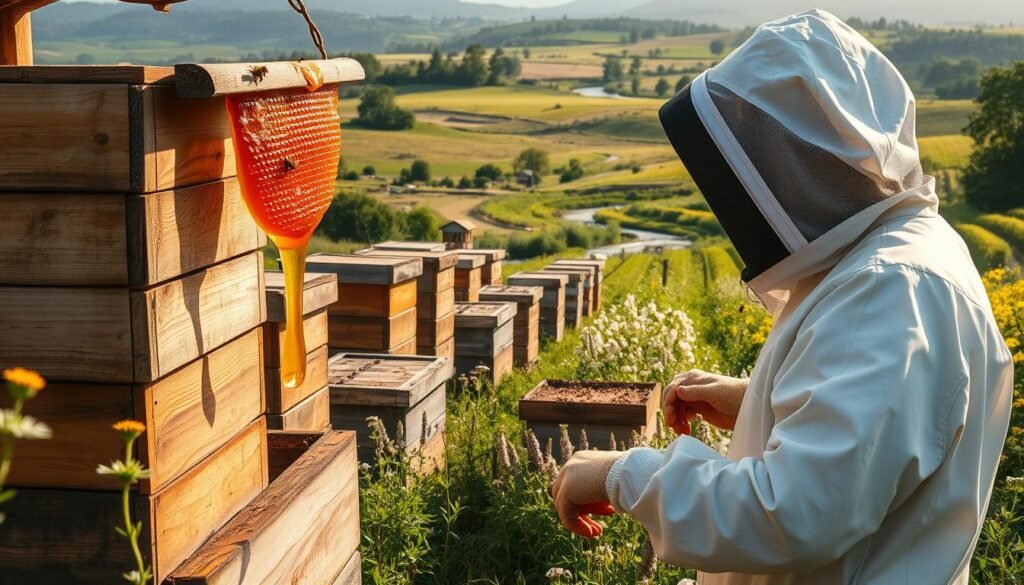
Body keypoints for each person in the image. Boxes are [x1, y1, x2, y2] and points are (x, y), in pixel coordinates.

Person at [550, 10, 1014, 584]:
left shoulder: (890, 289)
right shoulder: (907, 252)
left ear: (810, 153)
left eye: (762, 150)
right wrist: (757, 401)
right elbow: (890, 429)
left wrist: (620, 474)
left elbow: (792, 514)